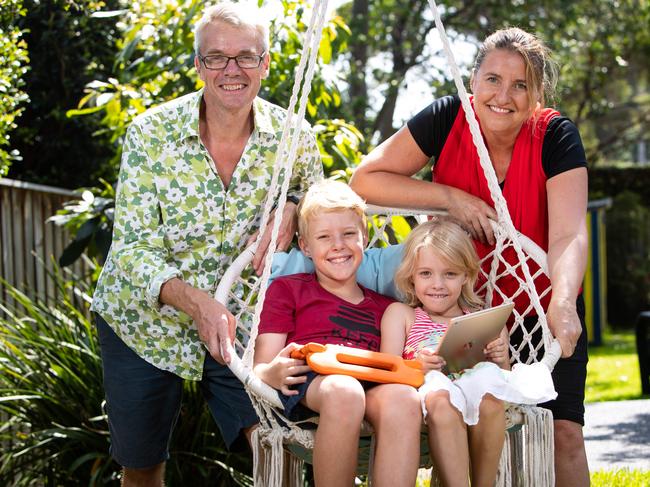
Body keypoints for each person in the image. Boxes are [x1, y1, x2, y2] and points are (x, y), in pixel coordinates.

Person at [90, 2, 323, 484]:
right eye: (216, 57)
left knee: (273, 447)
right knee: (142, 466)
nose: (231, 70)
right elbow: (131, 248)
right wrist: (196, 304)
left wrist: (296, 206)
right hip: (143, 323)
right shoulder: (150, 134)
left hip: (242, 322)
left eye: (245, 57)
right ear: (199, 65)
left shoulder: (294, 137)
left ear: (266, 63)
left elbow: (324, 204)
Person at [350, 27, 590, 486]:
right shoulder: (447, 117)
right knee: (457, 414)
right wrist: (449, 198)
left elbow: (568, 233)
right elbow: (366, 179)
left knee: (564, 433)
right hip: (457, 314)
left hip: (540, 305)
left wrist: (562, 303)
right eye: (493, 79)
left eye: (521, 85)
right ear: (472, 80)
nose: (504, 96)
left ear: (536, 93)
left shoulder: (555, 135)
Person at [254, 180, 421, 487]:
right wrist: (271, 372)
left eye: (348, 234)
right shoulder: (288, 289)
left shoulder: (386, 306)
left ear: (365, 237)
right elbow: (262, 364)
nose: (338, 245)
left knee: (405, 399)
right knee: (345, 391)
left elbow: (400, 358)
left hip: (370, 378)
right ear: (305, 247)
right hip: (315, 377)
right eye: (324, 237)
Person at [381, 218, 556, 486]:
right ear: (411, 276)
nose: (437, 284)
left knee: (489, 391)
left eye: (449, 274)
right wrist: (418, 365)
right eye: (426, 274)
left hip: (477, 393)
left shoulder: (481, 320)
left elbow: (501, 376)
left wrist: (500, 357)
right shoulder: (402, 315)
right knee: (441, 396)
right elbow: (388, 370)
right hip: (432, 395)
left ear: (465, 276)